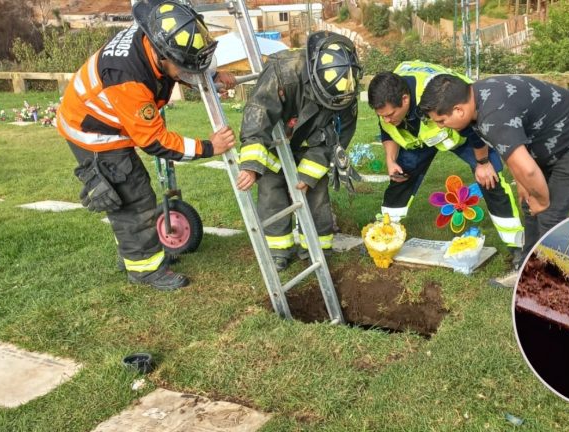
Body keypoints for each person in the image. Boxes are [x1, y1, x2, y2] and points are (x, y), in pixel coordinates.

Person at [56, 0, 237, 291]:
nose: (188, 70)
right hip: (94, 132)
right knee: (134, 197)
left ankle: (134, 253)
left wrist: (212, 76)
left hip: (109, 118)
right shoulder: (128, 78)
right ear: (163, 55)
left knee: (131, 194)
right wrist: (208, 147)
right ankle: (145, 269)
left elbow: (179, 66)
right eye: (184, 65)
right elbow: (155, 141)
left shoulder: (155, 37)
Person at [418, 74, 569, 262]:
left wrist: (542, 201)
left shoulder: (493, 117)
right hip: (550, 140)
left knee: (549, 214)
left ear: (459, 110)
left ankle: (552, 281)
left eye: (441, 121)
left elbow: (528, 170)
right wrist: (523, 184)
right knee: (529, 203)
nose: (442, 127)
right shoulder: (476, 97)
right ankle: (527, 268)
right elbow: (514, 150)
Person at [367, 61, 524, 256]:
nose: (387, 119)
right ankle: (385, 237)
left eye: (390, 115)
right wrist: (391, 160)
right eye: (382, 116)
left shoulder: (436, 94)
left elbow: (475, 124)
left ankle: (517, 246)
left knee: (490, 180)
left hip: (465, 129)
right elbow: (388, 130)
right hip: (423, 136)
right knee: (400, 175)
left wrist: (482, 163)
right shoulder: (387, 98)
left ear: (405, 99)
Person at [236, 31, 362, 271]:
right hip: (274, 143)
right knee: (272, 194)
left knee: (317, 195)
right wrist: (251, 166)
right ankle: (279, 250)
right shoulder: (283, 71)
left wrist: (308, 175)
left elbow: (339, 138)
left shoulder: (347, 88)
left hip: (312, 147)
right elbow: (257, 116)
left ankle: (316, 247)